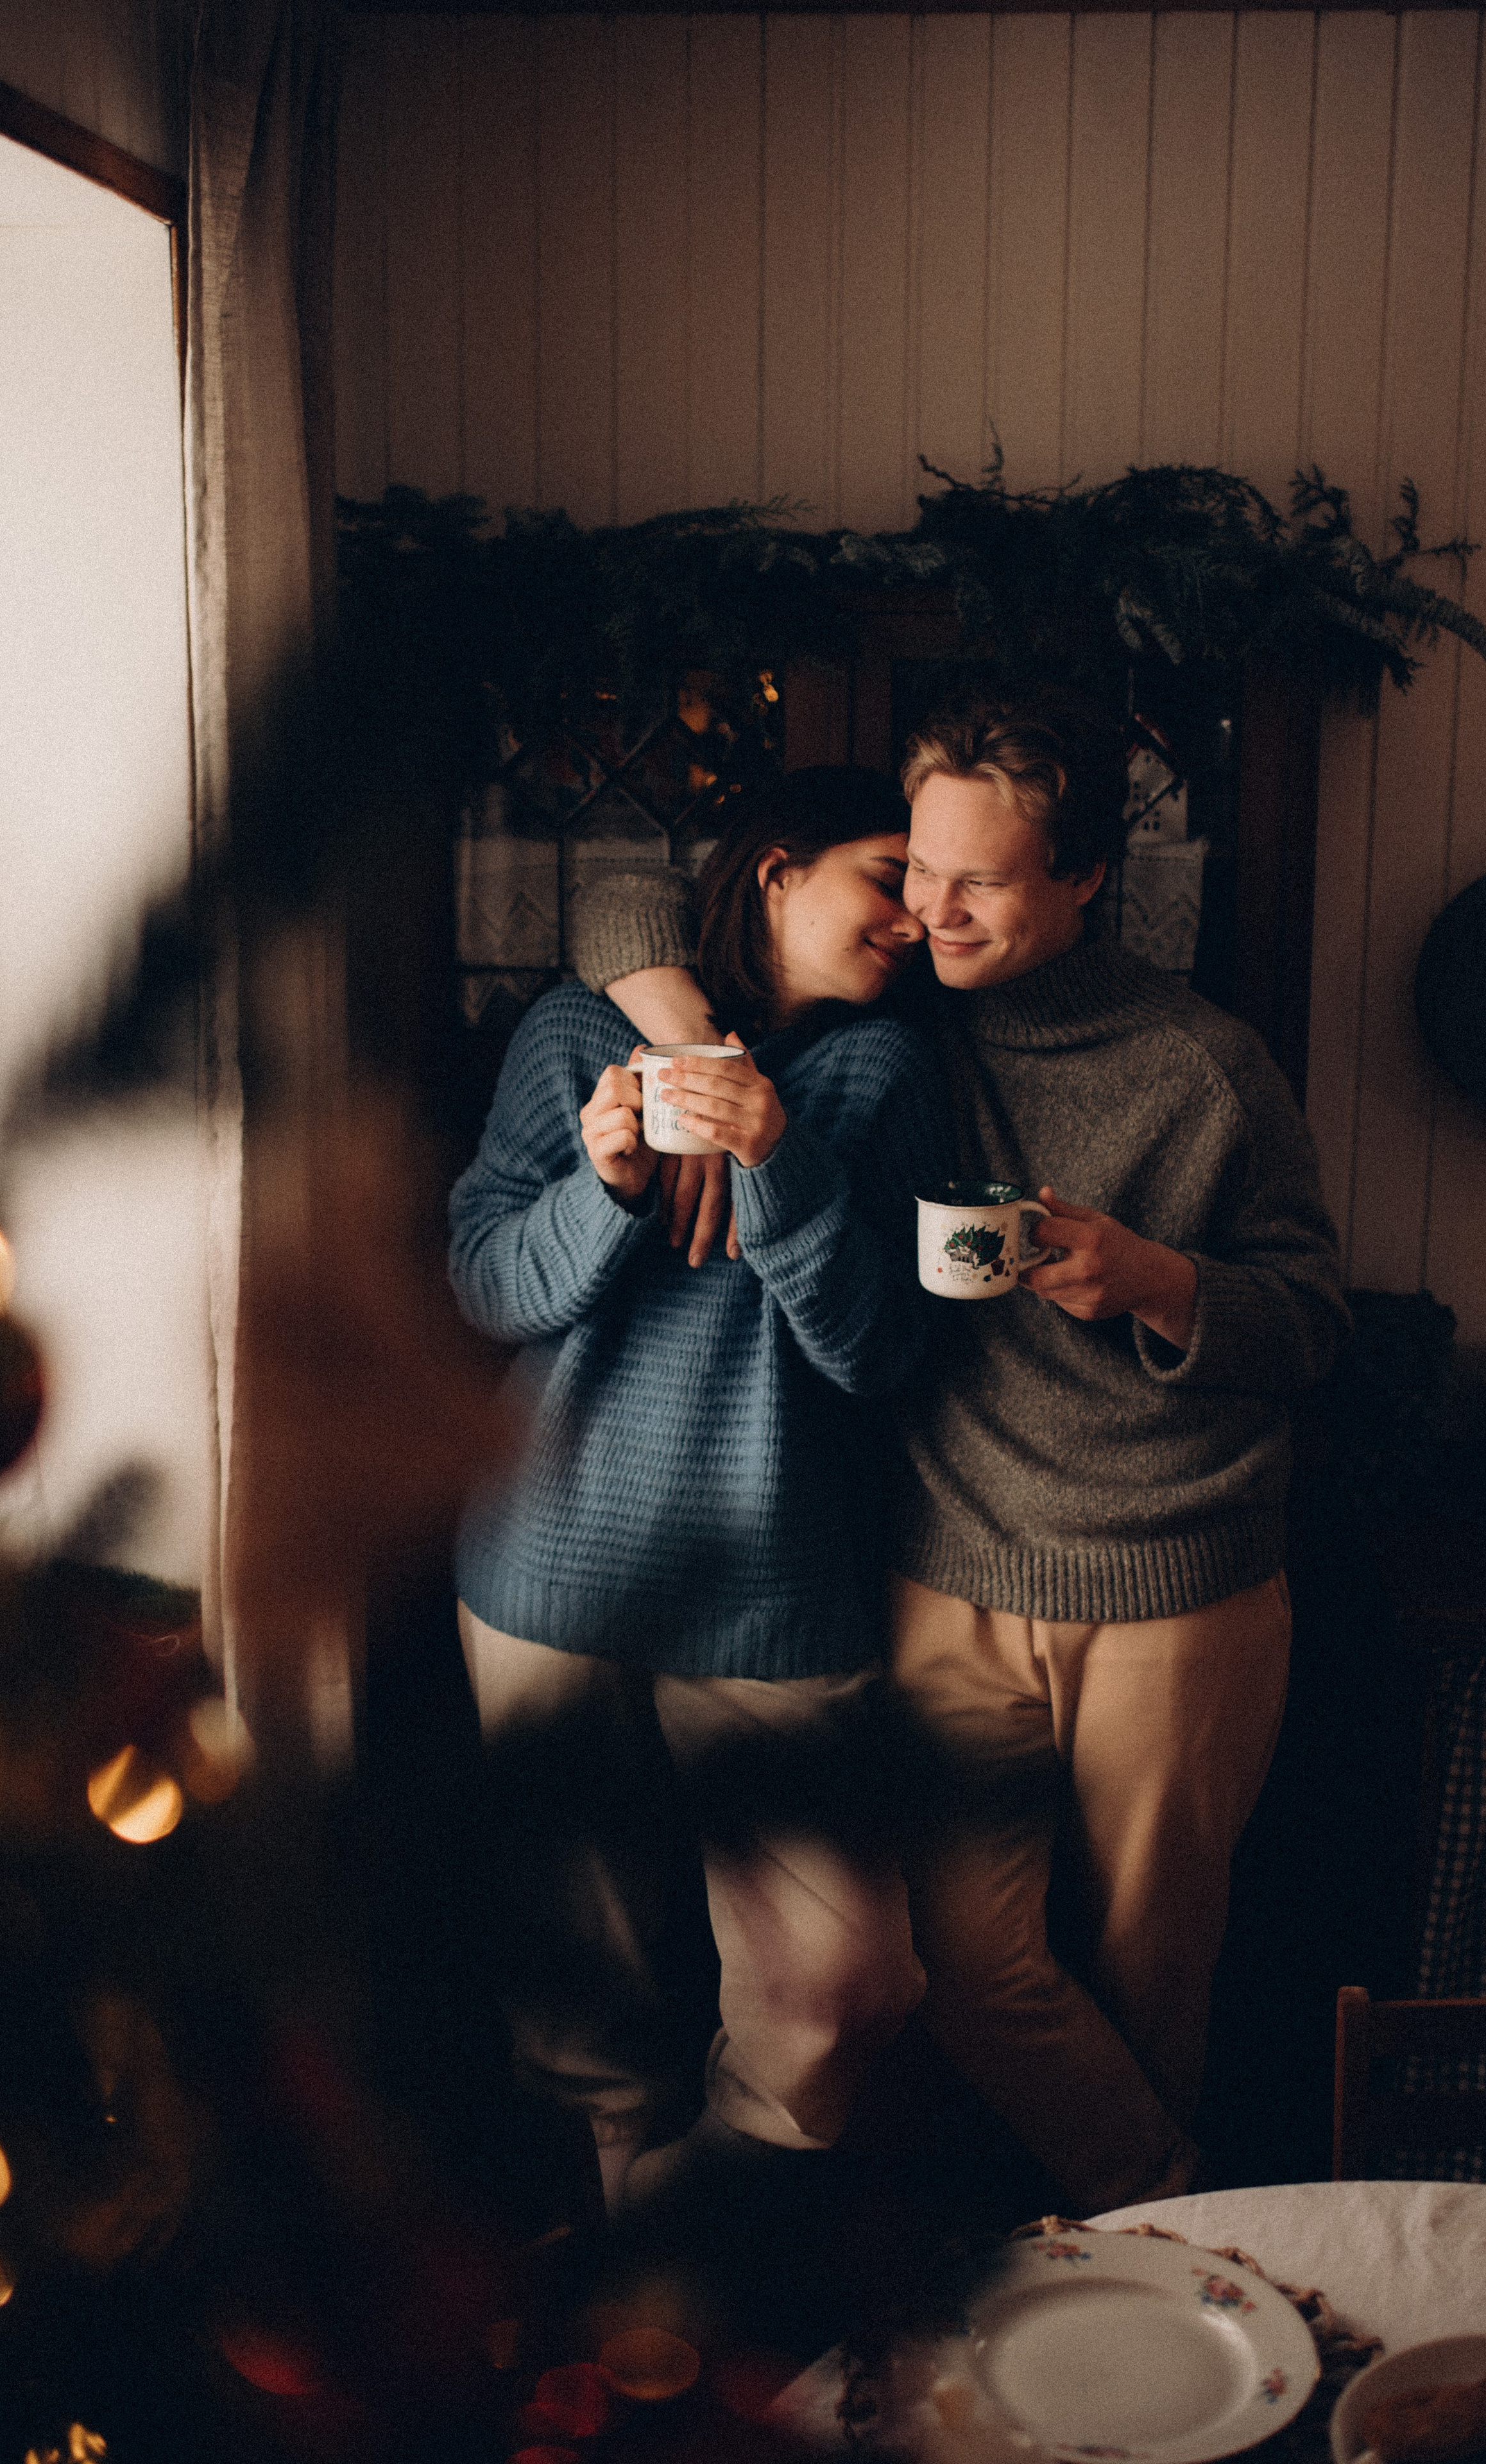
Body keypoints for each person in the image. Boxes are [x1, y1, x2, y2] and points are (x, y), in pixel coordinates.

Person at [569, 686, 1351, 2214]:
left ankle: (1142, 2301)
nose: (929, 913)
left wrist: (1148, 1281)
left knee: (1143, 1974)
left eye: (977, 882)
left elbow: (1314, 1324)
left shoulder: (1202, 1066)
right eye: (917, 872)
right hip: (947, 1561)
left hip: (1173, 1582)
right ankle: (1169, 2204)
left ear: (1078, 884)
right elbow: (617, 892)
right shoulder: (902, 1014)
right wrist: (693, 1052)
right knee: (958, 1967)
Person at [448, 766, 950, 2218]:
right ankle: (645, 2283)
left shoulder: (884, 1075)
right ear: (778, 870)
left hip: (772, 1576)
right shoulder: (575, 1032)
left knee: (849, 1980)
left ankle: (694, 2208)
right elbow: (486, 1285)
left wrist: (774, 1149)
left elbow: (874, 1349)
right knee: (578, 1977)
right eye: (886, 876)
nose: (912, 922)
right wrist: (599, 1182)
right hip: (550, 1557)